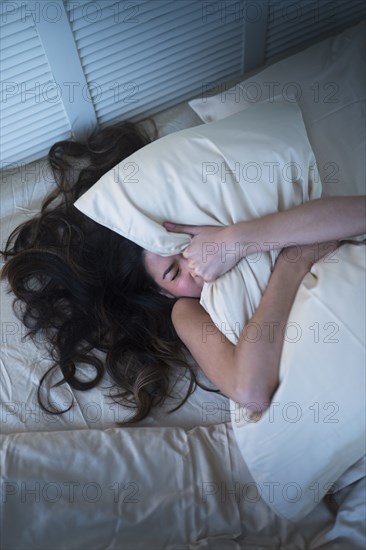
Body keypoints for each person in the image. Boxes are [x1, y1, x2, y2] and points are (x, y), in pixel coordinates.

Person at [1, 121, 365, 424]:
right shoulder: (186, 312)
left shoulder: (243, 218)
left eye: (186, 247)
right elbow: (250, 391)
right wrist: (292, 264)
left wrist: (237, 240)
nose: (196, 264)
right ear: (163, 292)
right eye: (174, 271)